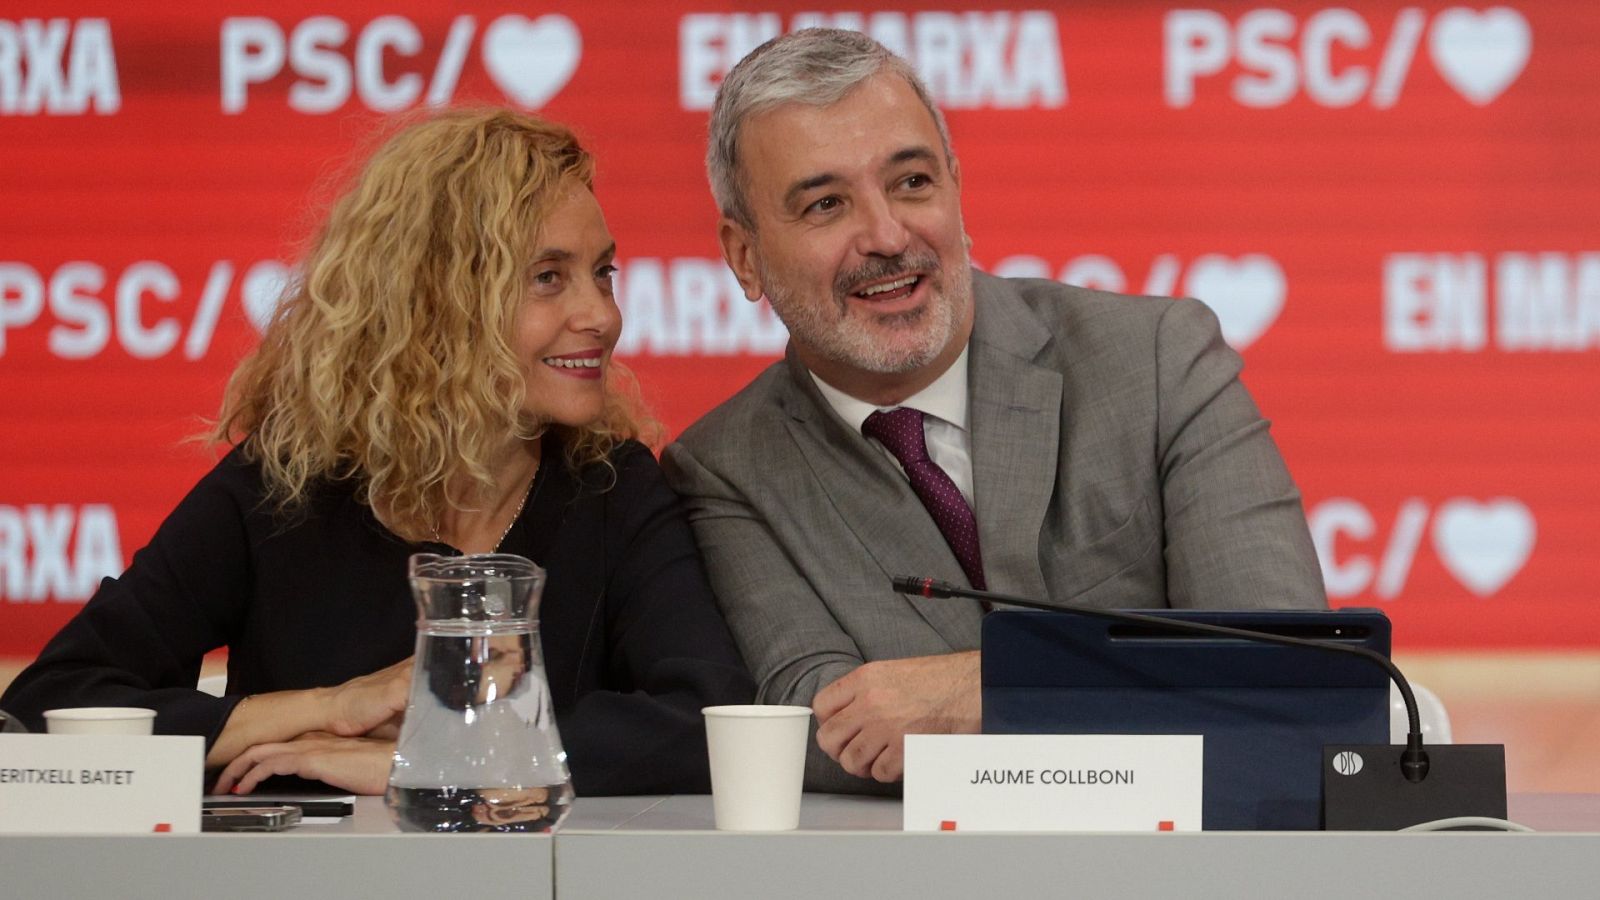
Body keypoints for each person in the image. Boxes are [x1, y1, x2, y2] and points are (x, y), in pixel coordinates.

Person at [0, 108, 754, 796]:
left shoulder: (613, 487)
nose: (603, 314)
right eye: (548, 278)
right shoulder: (283, 484)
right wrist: (334, 708)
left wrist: (441, 756)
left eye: (602, 273)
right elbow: (54, 704)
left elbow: (711, 723)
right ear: (437, 300)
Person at [661, 29, 1328, 793]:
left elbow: (1291, 674)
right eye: (825, 204)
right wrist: (1140, 685)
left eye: (912, 183)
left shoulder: (1155, 360)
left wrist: (998, 688)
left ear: (954, 183)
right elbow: (814, 729)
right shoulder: (725, 466)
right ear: (744, 256)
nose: (886, 236)